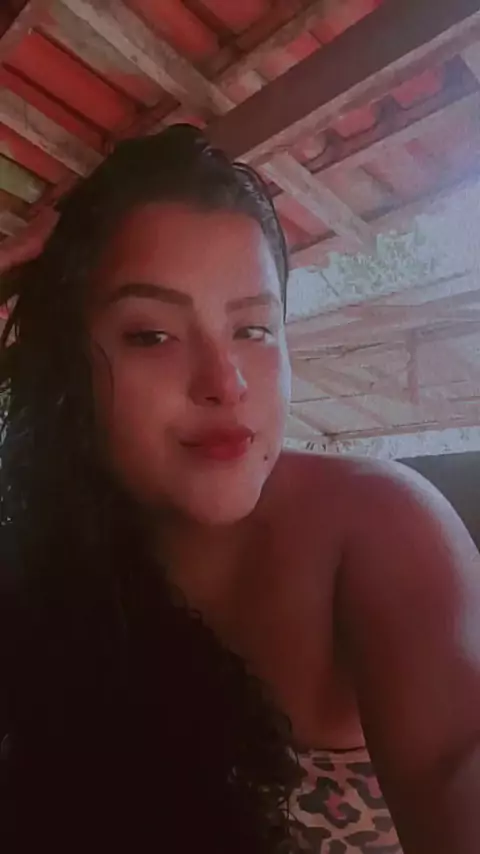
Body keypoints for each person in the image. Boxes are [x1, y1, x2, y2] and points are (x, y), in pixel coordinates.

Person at [0, 124, 479, 854]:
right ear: (68, 366)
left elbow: (457, 763)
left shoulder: (374, 526)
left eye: (253, 330)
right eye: (152, 335)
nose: (226, 383)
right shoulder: (41, 553)